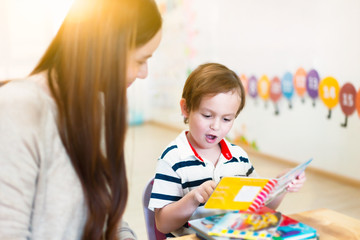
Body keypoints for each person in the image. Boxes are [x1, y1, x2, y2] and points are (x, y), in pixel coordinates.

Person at [0, 0, 162, 239]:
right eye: (140, 60)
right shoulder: (18, 108)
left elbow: (106, 217)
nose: (144, 73)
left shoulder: (95, 107)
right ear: (106, 47)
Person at [148, 63, 306, 236]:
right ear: (186, 108)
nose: (216, 126)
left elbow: (261, 205)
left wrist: (280, 184)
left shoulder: (239, 158)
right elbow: (162, 224)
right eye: (207, 115)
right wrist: (194, 198)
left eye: (227, 119)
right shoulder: (173, 159)